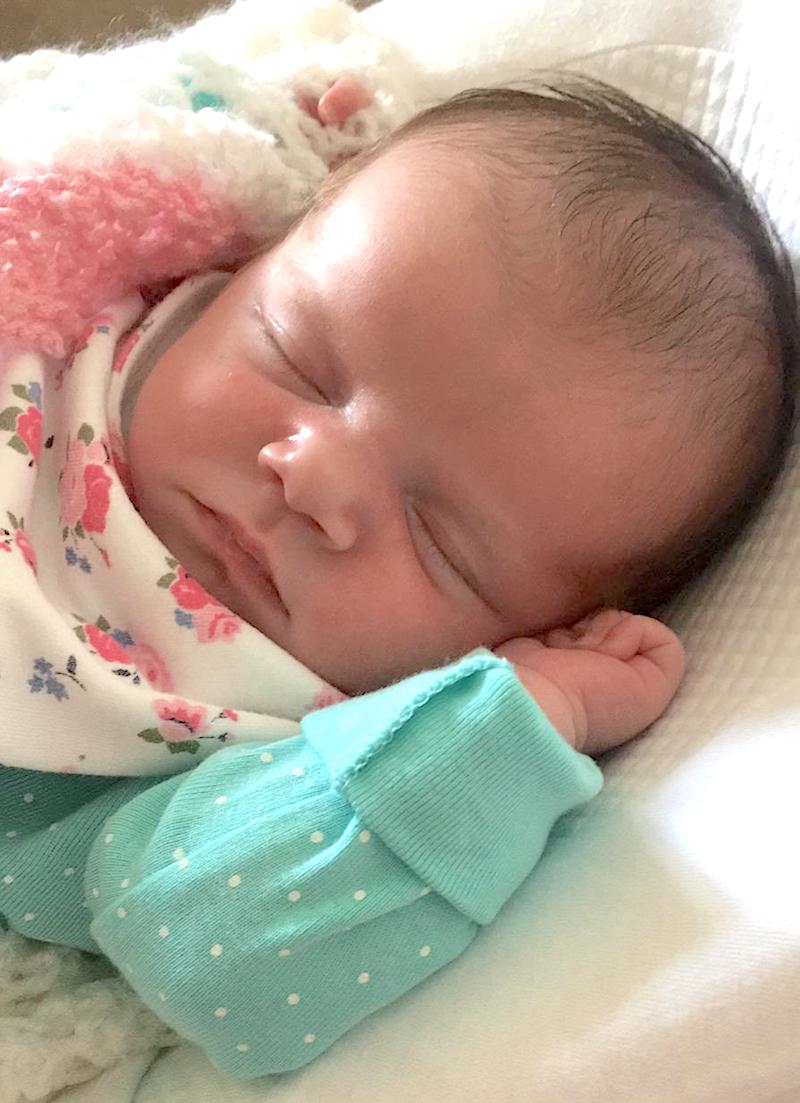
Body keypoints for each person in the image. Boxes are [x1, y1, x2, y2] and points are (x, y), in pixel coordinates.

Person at [0, 73, 795, 1077]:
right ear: (247, 261)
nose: (315, 481)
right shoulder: (81, 298)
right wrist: (259, 130)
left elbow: (204, 949)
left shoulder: (278, 758)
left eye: (437, 539)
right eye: (295, 357)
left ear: (520, 635)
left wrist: (498, 731)